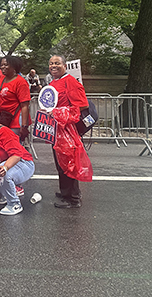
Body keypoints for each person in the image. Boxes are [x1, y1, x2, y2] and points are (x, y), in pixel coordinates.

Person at [47, 55, 90, 209]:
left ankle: (73, 197)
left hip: (67, 129)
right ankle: (66, 191)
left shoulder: (70, 81)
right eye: (51, 63)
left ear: (64, 65)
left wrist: (58, 113)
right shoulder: (54, 82)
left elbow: (82, 105)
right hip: (57, 128)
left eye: (57, 63)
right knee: (60, 162)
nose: (53, 66)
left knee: (68, 163)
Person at [0, 56, 31, 141]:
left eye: (6, 65)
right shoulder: (2, 78)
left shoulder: (21, 82)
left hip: (15, 122)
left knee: (13, 145)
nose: (2, 67)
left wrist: (24, 126)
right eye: (1, 65)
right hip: (2, 119)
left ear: (14, 67)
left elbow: (25, 105)